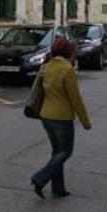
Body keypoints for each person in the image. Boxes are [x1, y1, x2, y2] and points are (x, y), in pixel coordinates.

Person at [30, 37, 92, 199]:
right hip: (61, 117)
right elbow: (75, 99)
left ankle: (58, 188)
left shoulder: (46, 66)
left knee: (57, 152)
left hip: (45, 116)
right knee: (65, 151)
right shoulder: (67, 69)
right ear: (69, 52)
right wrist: (85, 121)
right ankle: (40, 177)